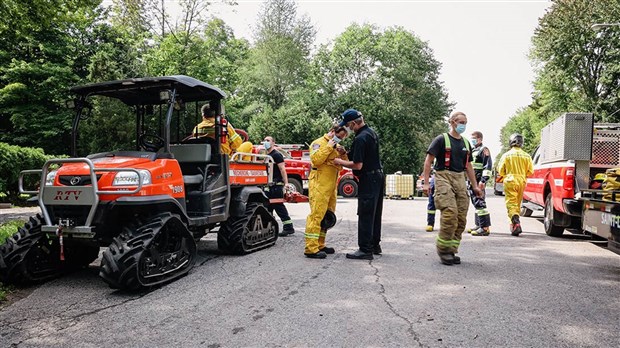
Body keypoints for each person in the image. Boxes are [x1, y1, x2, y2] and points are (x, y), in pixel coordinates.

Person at [422, 111, 482, 266]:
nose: (463, 125)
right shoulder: (441, 139)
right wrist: (426, 183)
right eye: (461, 122)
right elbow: (428, 161)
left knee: (461, 217)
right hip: (443, 177)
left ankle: (452, 249)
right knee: (450, 213)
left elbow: (468, 165)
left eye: (465, 122)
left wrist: (475, 186)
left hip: (460, 179)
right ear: (453, 122)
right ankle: (443, 250)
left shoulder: (466, 143)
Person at [333, 109, 384, 260]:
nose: (347, 128)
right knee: (375, 212)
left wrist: (340, 161)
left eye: (348, 125)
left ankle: (365, 249)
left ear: (353, 123)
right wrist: (346, 151)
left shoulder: (360, 138)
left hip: (368, 178)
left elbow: (358, 165)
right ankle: (375, 245)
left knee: (366, 213)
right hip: (378, 176)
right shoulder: (371, 133)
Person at [304, 125, 349, 259]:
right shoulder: (318, 143)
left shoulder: (336, 146)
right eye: (339, 136)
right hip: (319, 185)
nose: (340, 139)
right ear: (332, 132)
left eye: (342, 138)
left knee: (327, 217)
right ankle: (311, 248)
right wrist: (329, 146)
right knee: (316, 215)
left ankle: (320, 244)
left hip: (330, 186)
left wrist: (343, 153)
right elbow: (316, 160)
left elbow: (342, 166)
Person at [497, 133, 534, 236]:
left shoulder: (506, 155)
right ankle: (514, 225)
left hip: (510, 180)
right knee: (517, 203)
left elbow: (500, 170)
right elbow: (530, 171)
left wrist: (507, 174)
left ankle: (515, 220)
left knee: (511, 203)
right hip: (521, 181)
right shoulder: (527, 156)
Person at [263, 135, 295, 236]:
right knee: (267, 207)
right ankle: (268, 229)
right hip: (269, 185)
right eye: (264, 140)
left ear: (273, 143)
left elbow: (282, 169)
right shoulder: (267, 155)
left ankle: (288, 227)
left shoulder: (276, 155)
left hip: (276, 185)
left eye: (268, 140)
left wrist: (286, 184)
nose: (265, 142)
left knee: (279, 207)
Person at [467, 131, 493, 236]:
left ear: (480, 139)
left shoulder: (484, 150)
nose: (473, 140)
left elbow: (487, 166)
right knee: (475, 202)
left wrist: (483, 180)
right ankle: (478, 225)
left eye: (475, 138)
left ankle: (485, 228)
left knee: (480, 202)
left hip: (478, 180)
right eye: (472, 138)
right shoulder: (473, 150)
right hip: (472, 180)